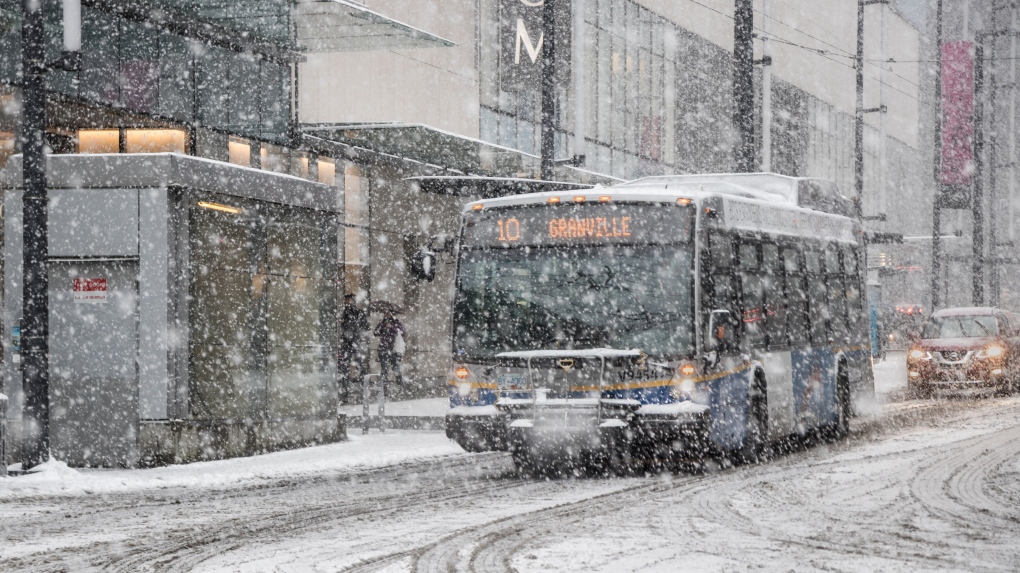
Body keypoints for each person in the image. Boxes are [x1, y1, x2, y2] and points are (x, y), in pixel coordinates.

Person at [338, 294, 369, 403]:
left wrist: (355, 326)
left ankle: (363, 384)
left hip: (355, 340)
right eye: (346, 300)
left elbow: (366, 326)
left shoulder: (358, 312)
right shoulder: (343, 312)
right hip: (347, 341)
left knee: (358, 363)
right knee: (344, 364)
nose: (347, 302)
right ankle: (345, 385)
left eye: (349, 300)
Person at [374, 309, 406, 388]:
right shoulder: (382, 322)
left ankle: (400, 385)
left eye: (388, 313)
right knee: (384, 368)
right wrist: (381, 324)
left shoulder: (397, 322)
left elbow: (403, 332)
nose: (386, 314)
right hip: (383, 348)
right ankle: (383, 387)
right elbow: (376, 333)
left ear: (392, 314)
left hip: (394, 349)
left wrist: (392, 327)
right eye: (385, 313)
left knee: (396, 368)